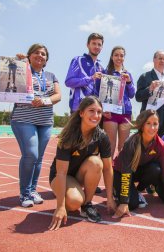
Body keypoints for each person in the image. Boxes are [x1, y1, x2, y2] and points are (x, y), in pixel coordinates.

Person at [48, 96, 116, 230]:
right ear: (81, 113)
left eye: (99, 112)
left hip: (78, 177)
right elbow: (61, 173)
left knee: (96, 162)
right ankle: (66, 196)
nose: (96, 115)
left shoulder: (102, 136)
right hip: (60, 177)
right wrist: (60, 206)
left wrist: (110, 198)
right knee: (74, 204)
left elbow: (108, 169)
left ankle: (87, 205)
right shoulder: (68, 136)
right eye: (91, 110)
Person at [11, 43, 61, 207]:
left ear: (47, 59)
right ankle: (24, 193)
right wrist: (17, 62)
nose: (40, 56)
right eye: (36, 53)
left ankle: (32, 190)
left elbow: (58, 96)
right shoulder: (21, 69)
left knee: (38, 157)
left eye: (43, 54)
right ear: (29, 55)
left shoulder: (51, 75)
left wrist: (45, 100)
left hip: (45, 121)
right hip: (24, 118)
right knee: (31, 154)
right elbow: (10, 81)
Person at [112, 110, 164, 218]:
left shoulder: (161, 145)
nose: (152, 128)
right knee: (131, 204)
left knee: (156, 170)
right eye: (148, 123)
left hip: (139, 172)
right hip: (121, 173)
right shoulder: (131, 143)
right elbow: (126, 173)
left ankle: (137, 191)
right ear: (142, 125)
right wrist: (123, 201)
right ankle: (117, 191)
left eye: (155, 124)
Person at [135, 50, 164, 137]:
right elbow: (138, 97)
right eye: (160, 58)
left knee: (162, 148)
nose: (162, 61)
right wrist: (150, 89)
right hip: (149, 118)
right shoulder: (145, 76)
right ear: (154, 59)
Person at [102, 46, 135, 158]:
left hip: (126, 113)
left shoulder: (128, 74)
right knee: (110, 146)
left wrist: (129, 82)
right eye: (116, 55)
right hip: (110, 113)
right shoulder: (105, 73)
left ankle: (121, 174)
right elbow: (99, 93)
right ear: (112, 57)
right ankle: (108, 175)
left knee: (124, 148)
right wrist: (102, 109)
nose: (119, 58)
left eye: (121, 55)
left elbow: (131, 94)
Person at [65, 33, 104, 113]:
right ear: (87, 45)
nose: (96, 47)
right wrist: (90, 78)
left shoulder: (101, 67)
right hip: (78, 108)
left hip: (95, 110)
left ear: (102, 47)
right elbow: (69, 82)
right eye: (94, 43)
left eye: (99, 44)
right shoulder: (78, 60)